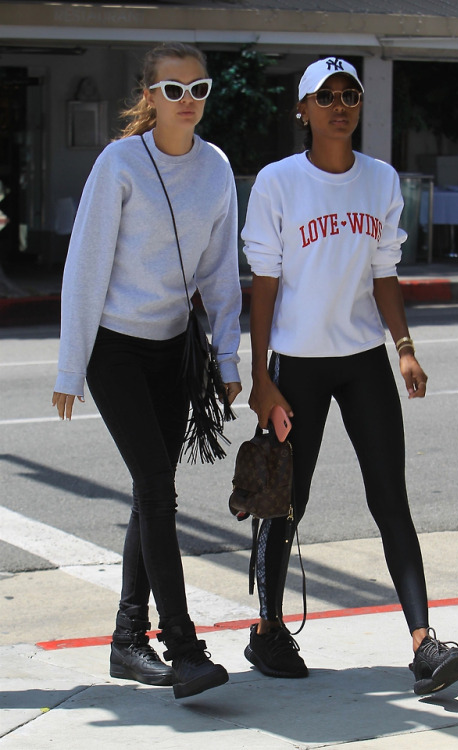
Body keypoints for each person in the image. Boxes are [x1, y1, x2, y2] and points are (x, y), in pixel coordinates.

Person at [241, 56, 458, 695]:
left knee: (388, 496)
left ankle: (424, 644)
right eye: (327, 95)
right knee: (285, 498)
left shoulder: (380, 180)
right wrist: (261, 376)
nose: (340, 104)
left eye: (351, 94)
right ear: (303, 109)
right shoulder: (277, 182)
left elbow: (383, 272)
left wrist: (404, 347)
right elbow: (264, 285)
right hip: (298, 364)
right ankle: (267, 630)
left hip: (363, 358)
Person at [52, 42, 242, 699]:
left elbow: (220, 274)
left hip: (174, 350)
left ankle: (128, 641)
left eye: (199, 90)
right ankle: (182, 647)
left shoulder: (217, 169)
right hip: (116, 350)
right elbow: (86, 263)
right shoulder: (119, 164)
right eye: (173, 90)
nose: (187, 101)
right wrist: (70, 364)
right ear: (148, 96)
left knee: (152, 491)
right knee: (157, 487)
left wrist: (227, 356)